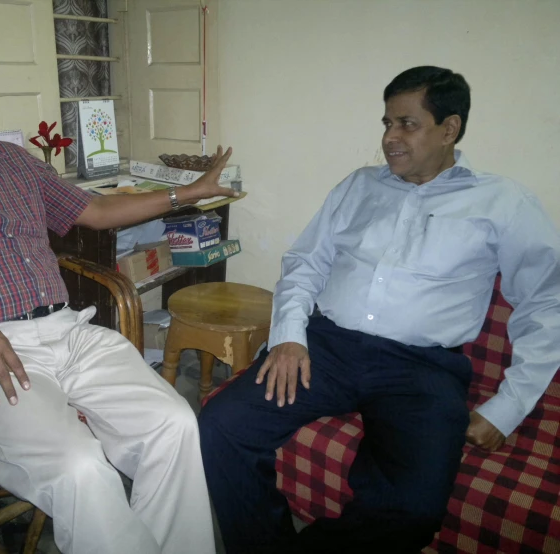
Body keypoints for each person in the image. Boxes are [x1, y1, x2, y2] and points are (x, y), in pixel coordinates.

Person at [0, 44, 237, 554]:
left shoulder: (12, 162)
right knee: (79, 468)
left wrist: (188, 193)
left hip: (69, 331)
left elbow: (92, 210)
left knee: (175, 424)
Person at [199, 66, 560, 554]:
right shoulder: (359, 186)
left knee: (413, 511)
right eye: (387, 123)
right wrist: (289, 335)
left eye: (407, 124)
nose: (390, 138)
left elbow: (545, 302)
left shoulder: (502, 202)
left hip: (422, 369)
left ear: (449, 128)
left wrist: (509, 404)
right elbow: (306, 262)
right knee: (223, 424)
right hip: (328, 346)